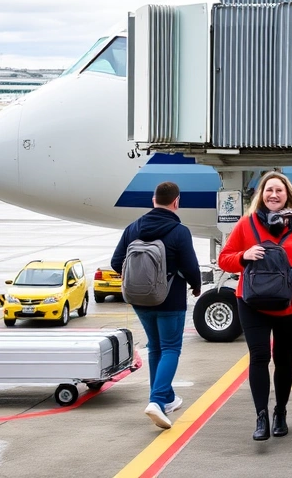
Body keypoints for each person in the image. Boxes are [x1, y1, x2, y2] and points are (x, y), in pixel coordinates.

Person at [218, 172, 292, 441]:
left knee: (283, 359)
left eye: (279, 190)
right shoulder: (246, 224)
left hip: (290, 304)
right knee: (259, 357)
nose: (273, 195)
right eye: (268, 190)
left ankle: (281, 412)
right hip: (252, 302)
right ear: (261, 195)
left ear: (288, 195)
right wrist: (244, 255)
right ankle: (261, 416)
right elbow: (224, 259)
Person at [111, 181, 203, 430]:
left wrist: (138, 280)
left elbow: (115, 261)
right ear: (176, 202)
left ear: (153, 201)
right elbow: (191, 267)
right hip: (170, 299)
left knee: (156, 349)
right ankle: (156, 400)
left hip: (140, 300)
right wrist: (196, 286)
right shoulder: (179, 231)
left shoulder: (133, 229)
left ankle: (167, 399)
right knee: (171, 348)